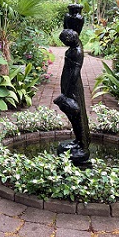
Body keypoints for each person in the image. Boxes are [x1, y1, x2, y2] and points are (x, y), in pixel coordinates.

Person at [53, 28, 90, 165]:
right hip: (68, 84)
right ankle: (78, 140)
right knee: (73, 115)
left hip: (72, 86)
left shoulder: (77, 51)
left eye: (64, 41)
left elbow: (75, 72)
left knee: (76, 114)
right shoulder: (74, 46)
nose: (63, 43)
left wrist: (67, 92)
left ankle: (82, 144)